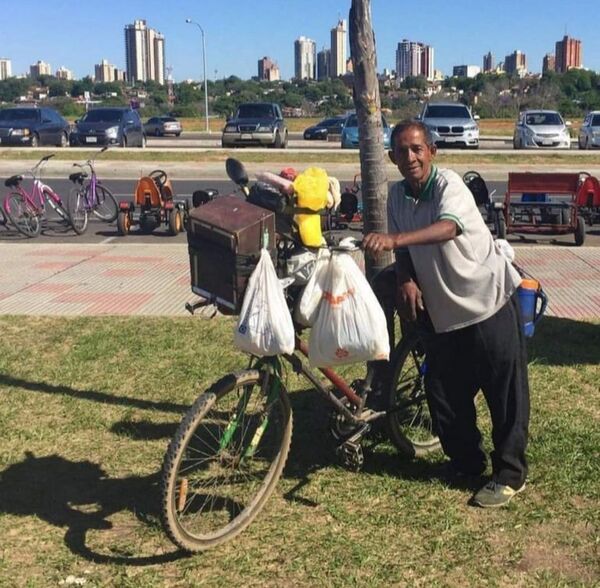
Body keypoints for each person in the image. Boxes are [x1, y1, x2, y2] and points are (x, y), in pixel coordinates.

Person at [364, 120, 530, 508]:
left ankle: (509, 475)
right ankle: (466, 463)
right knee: (443, 391)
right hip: (441, 311)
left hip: (485, 300)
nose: (410, 157)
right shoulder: (396, 196)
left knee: (504, 393)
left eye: (417, 149)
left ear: (432, 152)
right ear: (392, 157)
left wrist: (393, 240)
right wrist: (405, 278)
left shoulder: (449, 185)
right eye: (402, 151)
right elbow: (403, 253)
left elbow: (448, 228)